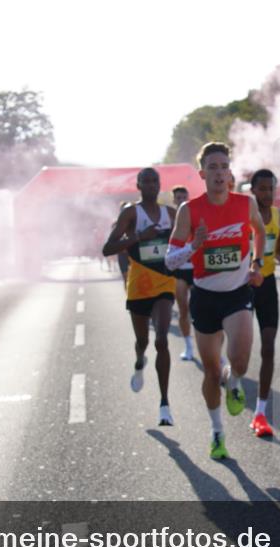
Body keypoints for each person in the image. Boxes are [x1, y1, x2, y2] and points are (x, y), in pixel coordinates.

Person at [165, 142, 265, 460]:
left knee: (240, 361)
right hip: (205, 297)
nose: (220, 173)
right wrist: (194, 245)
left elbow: (260, 232)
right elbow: (169, 260)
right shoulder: (189, 210)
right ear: (202, 174)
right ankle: (217, 432)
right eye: (213, 168)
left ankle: (233, 381)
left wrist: (257, 263)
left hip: (237, 294)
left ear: (230, 172)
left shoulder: (245, 204)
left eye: (224, 167)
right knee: (210, 372)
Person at [102, 168, 177, 426]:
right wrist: (138, 237)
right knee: (143, 341)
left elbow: (185, 242)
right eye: (146, 181)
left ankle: (165, 404)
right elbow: (107, 248)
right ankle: (138, 362)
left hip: (165, 284)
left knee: (163, 339)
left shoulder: (171, 214)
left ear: (159, 184)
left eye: (155, 180)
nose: (151, 185)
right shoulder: (131, 213)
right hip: (139, 286)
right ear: (138, 185)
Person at [248, 169, 280, 438]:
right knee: (239, 352)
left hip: (266, 285)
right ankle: (233, 371)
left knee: (268, 346)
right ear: (253, 190)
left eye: (271, 189)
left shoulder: (278, 216)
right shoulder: (243, 214)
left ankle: (260, 411)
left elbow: (276, 250)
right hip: (243, 286)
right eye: (263, 188)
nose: (268, 193)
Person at [171, 186, 195, 361]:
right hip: (180, 271)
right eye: (178, 197)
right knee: (183, 310)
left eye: (184, 197)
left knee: (200, 310)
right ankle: (188, 346)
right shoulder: (170, 219)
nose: (181, 200)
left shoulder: (194, 215)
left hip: (196, 270)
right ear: (174, 200)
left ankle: (207, 345)